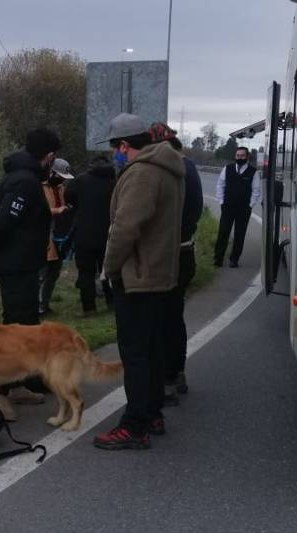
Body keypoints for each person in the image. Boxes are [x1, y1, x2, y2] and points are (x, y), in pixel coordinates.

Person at [93, 113, 185, 451]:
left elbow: (124, 228)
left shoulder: (142, 173)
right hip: (161, 274)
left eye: (116, 148)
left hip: (138, 278)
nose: (115, 154)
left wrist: (108, 269)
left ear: (125, 145)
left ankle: (134, 425)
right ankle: (152, 412)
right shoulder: (170, 168)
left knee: (136, 355)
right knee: (153, 348)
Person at [0, 127, 60, 403]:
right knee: (18, 326)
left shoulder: (16, 177)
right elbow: (0, 219)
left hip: (19, 262)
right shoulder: (24, 182)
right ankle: (9, 386)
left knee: (25, 323)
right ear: (48, 156)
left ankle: (27, 381)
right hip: (18, 265)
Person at [148, 122, 203, 406]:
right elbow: (194, 211)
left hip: (166, 254)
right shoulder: (189, 167)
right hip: (186, 250)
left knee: (161, 317)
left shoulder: (165, 170)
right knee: (174, 313)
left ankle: (165, 378)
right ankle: (176, 372)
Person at [64, 155, 115, 315]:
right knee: (109, 270)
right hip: (109, 234)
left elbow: (68, 196)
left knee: (86, 273)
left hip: (85, 233)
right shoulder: (116, 181)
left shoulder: (81, 180)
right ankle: (112, 303)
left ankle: (89, 308)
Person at [38, 158, 76, 316]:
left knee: (54, 272)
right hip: (44, 234)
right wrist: (57, 210)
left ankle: (45, 304)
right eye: (59, 176)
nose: (61, 180)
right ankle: (36, 305)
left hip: (60, 235)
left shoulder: (61, 188)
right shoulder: (39, 186)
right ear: (51, 172)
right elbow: (39, 210)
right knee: (42, 272)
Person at [214, 146, 260, 268]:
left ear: (247, 157)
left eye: (242, 156)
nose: (239, 158)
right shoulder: (227, 169)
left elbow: (256, 191)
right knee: (223, 232)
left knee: (240, 234)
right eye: (238, 155)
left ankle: (234, 259)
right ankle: (217, 259)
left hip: (244, 209)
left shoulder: (253, 172)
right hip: (227, 207)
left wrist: (250, 205)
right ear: (235, 156)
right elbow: (220, 185)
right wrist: (221, 202)